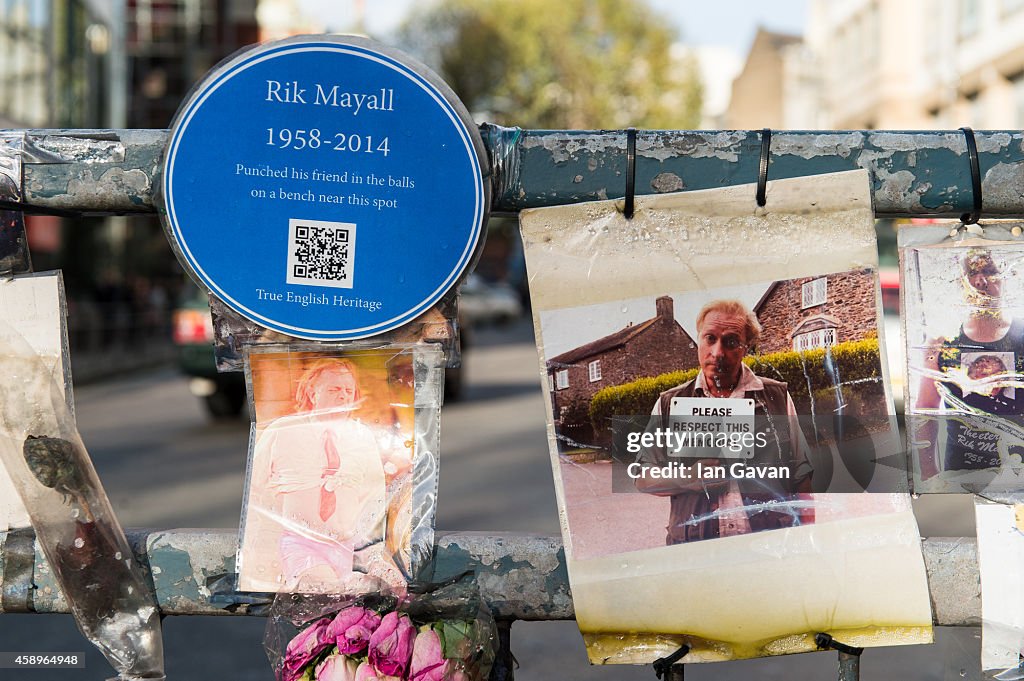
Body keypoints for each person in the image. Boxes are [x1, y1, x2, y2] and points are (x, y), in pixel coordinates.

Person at [634, 299, 813, 544]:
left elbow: (801, 474)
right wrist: (688, 477)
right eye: (710, 338)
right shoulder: (669, 403)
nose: (717, 353)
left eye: (731, 342)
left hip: (769, 544)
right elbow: (643, 476)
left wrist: (808, 536)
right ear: (699, 339)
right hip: (696, 549)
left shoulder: (776, 397)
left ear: (746, 347)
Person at [241, 358, 405, 592]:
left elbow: (375, 498)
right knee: (325, 587)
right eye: (334, 389)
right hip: (301, 544)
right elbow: (256, 493)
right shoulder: (284, 431)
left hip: (350, 548)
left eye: (349, 391)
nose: (343, 396)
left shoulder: (362, 436)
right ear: (312, 392)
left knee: (368, 595)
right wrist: (257, 555)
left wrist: (372, 552)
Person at [914, 248, 1024, 476]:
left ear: (1005, 277)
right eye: (971, 273)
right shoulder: (942, 341)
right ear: (960, 283)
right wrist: (928, 474)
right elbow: (926, 408)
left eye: (989, 271)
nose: (981, 281)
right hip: (961, 477)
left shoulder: (1022, 335)